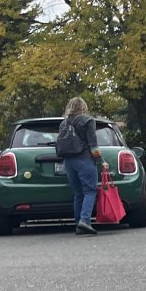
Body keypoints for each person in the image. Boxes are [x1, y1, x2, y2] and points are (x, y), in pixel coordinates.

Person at [58, 97, 104, 235]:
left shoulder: (63, 123)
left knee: (78, 193)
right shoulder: (88, 120)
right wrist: (102, 161)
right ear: (83, 107)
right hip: (84, 159)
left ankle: (79, 224)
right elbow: (93, 144)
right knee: (90, 191)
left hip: (69, 161)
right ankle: (85, 220)